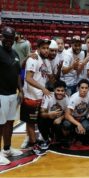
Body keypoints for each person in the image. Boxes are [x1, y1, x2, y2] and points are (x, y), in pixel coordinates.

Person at [21, 37, 53, 155]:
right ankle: (33, 144)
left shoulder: (46, 61)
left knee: (38, 121)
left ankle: (36, 140)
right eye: (43, 48)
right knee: (30, 122)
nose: (46, 51)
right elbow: (28, 78)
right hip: (31, 96)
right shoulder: (33, 59)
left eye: (47, 48)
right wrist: (43, 88)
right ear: (38, 48)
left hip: (40, 96)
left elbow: (50, 78)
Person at [0, 26, 23, 165]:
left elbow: (18, 74)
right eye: (6, 37)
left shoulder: (15, 53)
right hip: (0, 94)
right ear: (1, 37)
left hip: (12, 94)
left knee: (9, 123)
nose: (8, 40)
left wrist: (20, 90)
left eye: (11, 38)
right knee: (0, 124)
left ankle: (7, 149)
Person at [63, 79, 89, 145]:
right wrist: (78, 124)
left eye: (86, 88)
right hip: (73, 117)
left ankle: (81, 138)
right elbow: (67, 115)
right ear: (78, 88)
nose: (84, 90)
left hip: (83, 117)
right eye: (82, 88)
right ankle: (69, 137)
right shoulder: (74, 98)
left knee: (87, 127)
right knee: (66, 125)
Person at [39, 80, 69, 150]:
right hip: (49, 119)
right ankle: (46, 138)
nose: (60, 92)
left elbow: (68, 113)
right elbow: (42, 113)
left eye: (62, 91)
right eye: (58, 90)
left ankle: (61, 138)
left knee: (67, 123)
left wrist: (60, 118)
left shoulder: (66, 98)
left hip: (59, 120)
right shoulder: (48, 96)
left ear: (65, 91)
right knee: (40, 120)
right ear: (54, 90)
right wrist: (49, 114)